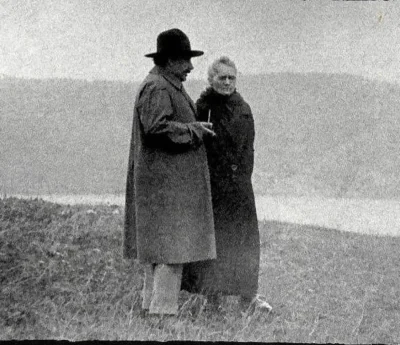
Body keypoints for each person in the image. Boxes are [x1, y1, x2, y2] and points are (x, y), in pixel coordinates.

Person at [123, 28, 217, 316]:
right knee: (170, 251)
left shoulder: (164, 84)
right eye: (185, 60)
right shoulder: (159, 87)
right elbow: (156, 128)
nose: (190, 67)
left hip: (165, 186)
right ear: (168, 60)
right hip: (165, 188)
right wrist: (194, 130)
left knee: (162, 251)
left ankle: (151, 309)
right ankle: (162, 314)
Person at [182, 56, 272, 313]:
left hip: (240, 187)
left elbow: (248, 149)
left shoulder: (243, 108)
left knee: (244, 241)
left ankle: (248, 297)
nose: (227, 82)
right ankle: (212, 299)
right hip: (213, 186)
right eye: (222, 78)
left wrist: (242, 178)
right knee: (215, 243)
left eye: (232, 78)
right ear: (211, 80)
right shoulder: (202, 108)